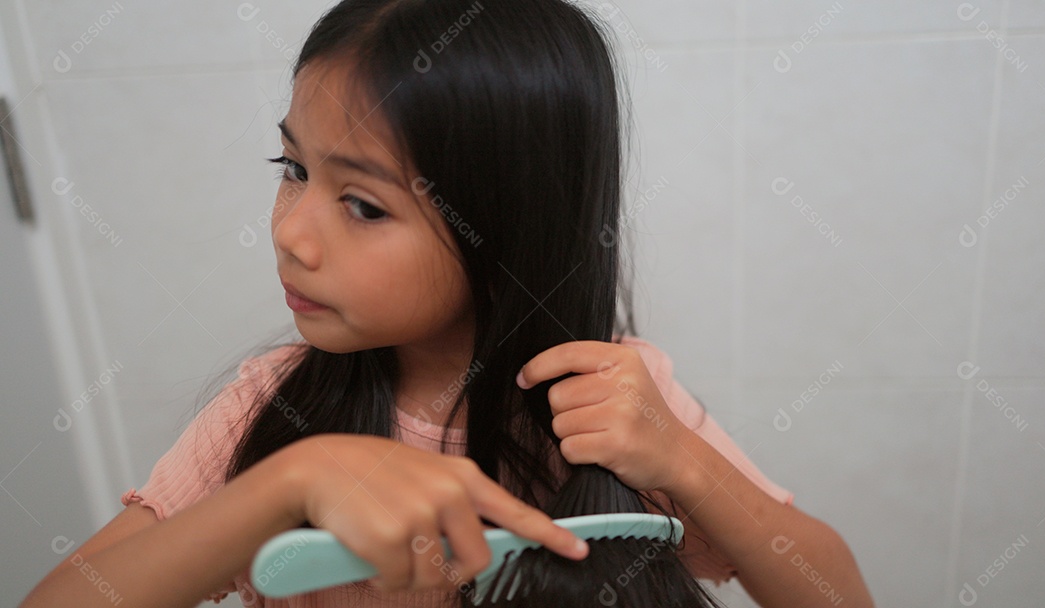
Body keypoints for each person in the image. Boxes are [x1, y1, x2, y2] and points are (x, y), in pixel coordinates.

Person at [22, 0, 873, 606]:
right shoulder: (275, 406)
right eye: (293, 171)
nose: (291, 235)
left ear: (507, 227)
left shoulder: (620, 402)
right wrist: (289, 485)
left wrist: (685, 463)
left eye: (363, 204)